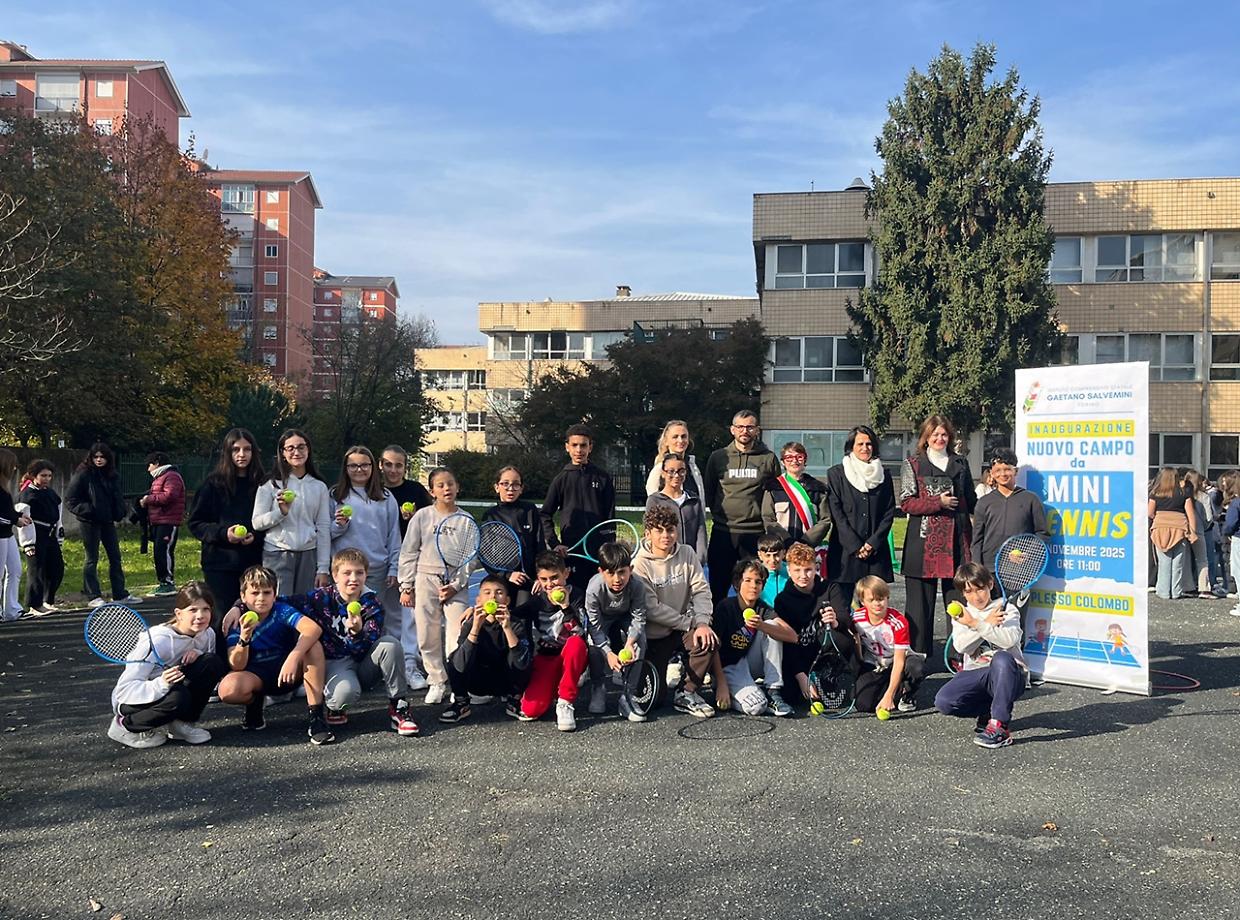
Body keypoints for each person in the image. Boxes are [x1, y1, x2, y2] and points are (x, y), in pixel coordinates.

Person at [291, 548, 418, 736]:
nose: (353, 578)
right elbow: (280, 603)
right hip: (336, 663)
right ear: (335, 575)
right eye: (347, 573)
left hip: (364, 662)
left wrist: (357, 632)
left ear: (366, 575)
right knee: (344, 696)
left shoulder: (372, 603)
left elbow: (362, 649)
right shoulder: (320, 597)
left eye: (359, 573)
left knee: (390, 644)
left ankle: (398, 707)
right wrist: (240, 606)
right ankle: (336, 705)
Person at [217, 565, 334, 744]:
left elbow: (312, 628)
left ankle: (316, 717)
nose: (261, 598)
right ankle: (254, 705)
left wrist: (294, 657)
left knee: (313, 646)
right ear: (243, 597)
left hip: (288, 672)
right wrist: (244, 639)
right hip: (257, 677)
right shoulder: (236, 621)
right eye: (255, 593)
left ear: (274, 594)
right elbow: (237, 665)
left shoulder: (281, 610)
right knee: (228, 689)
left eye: (266, 592)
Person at [106, 581, 229, 749]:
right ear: (179, 614)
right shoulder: (158, 640)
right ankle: (125, 727)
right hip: (132, 701)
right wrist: (161, 683)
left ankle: (180, 725)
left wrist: (199, 654)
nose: (200, 615)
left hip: (173, 689)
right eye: (193, 610)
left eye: (206, 609)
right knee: (179, 696)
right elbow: (124, 690)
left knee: (211, 662)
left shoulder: (207, 634)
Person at [898, 415, 977, 663]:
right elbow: (906, 502)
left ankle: (958, 654)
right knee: (919, 607)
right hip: (923, 545)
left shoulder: (960, 463)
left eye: (944, 434)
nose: (939, 439)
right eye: (935, 435)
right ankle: (917, 657)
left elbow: (971, 499)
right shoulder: (913, 464)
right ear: (926, 437)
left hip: (956, 542)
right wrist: (937, 503)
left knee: (958, 602)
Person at [631, 504, 719, 718]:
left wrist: (702, 623)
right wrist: (687, 623)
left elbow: (701, 590)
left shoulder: (687, 553)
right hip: (655, 635)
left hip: (683, 628)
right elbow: (652, 609)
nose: (666, 535)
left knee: (708, 639)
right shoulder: (639, 564)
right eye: (659, 530)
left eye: (670, 530)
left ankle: (686, 692)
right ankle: (666, 675)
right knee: (654, 701)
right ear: (648, 533)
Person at [398, 467, 474, 706]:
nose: (446, 489)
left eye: (450, 483)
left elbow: (471, 558)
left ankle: (457, 681)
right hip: (425, 578)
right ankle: (436, 681)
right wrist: (406, 585)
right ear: (432, 491)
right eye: (440, 485)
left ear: (458, 486)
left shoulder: (467, 520)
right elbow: (409, 551)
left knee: (455, 635)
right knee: (427, 635)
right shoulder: (421, 517)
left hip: (455, 584)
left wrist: (456, 585)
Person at [934, 562, 1028, 749]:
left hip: (1010, 675)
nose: (976, 597)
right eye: (969, 592)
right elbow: (962, 646)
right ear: (963, 593)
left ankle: (1000, 726)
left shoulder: (1006, 609)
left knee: (1001, 658)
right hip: (977, 673)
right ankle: (988, 711)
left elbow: (1008, 641)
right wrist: (981, 622)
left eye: (980, 589)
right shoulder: (963, 614)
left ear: (990, 585)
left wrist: (977, 624)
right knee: (944, 702)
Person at [188, 428, 266, 652]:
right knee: (222, 617)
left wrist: (255, 535)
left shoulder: (263, 484)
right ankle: (221, 666)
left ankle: (250, 663)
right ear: (227, 452)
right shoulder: (213, 484)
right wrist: (224, 534)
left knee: (253, 614)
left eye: (247, 449)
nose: (242, 454)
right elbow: (196, 523)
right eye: (236, 449)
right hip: (220, 564)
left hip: (253, 563)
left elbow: (271, 521)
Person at [703, 410, 781, 603]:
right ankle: (719, 627)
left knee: (756, 587)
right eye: (740, 427)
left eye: (749, 427)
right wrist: (721, 514)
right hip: (724, 531)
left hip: (755, 533)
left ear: (757, 430)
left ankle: (755, 628)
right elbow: (709, 492)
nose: (744, 431)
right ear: (732, 430)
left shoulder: (768, 458)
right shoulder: (718, 457)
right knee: (718, 588)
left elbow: (776, 494)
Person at [824, 425, 896, 617]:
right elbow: (836, 513)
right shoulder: (836, 474)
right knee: (841, 611)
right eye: (860, 444)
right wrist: (856, 546)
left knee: (875, 611)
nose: (865, 448)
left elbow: (889, 512)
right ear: (851, 446)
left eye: (869, 444)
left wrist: (872, 543)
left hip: (875, 554)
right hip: (845, 554)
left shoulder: (884, 475)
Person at [514, 551, 589, 730]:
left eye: (554, 577)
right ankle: (556, 685)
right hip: (546, 658)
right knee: (531, 710)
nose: (549, 584)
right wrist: (479, 611)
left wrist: (565, 606)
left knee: (575, 643)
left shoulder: (577, 595)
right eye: (544, 579)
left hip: (573, 655)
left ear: (566, 574)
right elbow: (511, 615)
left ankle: (565, 701)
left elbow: (580, 632)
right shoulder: (536, 602)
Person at [442, 575, 533, 723]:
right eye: (487, 592)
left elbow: (523, 662)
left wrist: (507, 628)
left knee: (522, 651)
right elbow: (459, 661)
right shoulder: (470, 623)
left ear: (507, 601)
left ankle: (514, 700)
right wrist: (476, 628)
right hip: (477, 681)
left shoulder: (515, 624)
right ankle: (461, 703)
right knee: (454, 657)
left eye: (499, 592)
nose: (493, 597)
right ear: (478, 600)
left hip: (506, 682)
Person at [775, 542, 856, 705]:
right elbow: (787, 642)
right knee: (790, 697)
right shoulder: (782, 600)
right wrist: (800, 675)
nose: (803, 575)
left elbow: (845, 620)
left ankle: (830, 674)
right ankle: (807, 678)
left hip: (825, 651)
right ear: (789, 571)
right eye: (797, 570)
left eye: (808, 569)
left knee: (840, 637)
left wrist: (835, 621)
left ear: (816, 568)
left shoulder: (830, 588)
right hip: (798, 653)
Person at [253, 429, 332, 595]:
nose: (297, 452)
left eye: (301, 447)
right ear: (282, 453)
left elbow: (324, 527)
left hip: (309, 555)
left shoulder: (319, 486)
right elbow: (257, 523)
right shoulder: (270, 484)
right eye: (290, 448)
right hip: (277, 554)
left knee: (305, 610)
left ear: (308, 450)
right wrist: (280, 512)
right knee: (279, 608)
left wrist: (323, 568)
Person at [379, 444, 432, 689]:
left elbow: (431, 522)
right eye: (388, 464)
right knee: (386, 613)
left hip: (412, 560)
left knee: (409, 614)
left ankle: (410, 663)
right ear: (380, 465)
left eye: (398, 465)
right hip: (381, 559)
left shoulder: (415, 491)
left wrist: (414, 521)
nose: (393, 470)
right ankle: (390, 664)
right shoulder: (375, 491)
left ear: (405, 467)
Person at [583, 541, 655, 721]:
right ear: (601, 572)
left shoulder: (637, 585)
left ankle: (628, 695)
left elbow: (639, 617)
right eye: (610, 573)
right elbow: (594, 626)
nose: (617, 579)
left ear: (630, 569)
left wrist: (629, 643)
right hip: (603, 618)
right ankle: (598, 686)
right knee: (593, 644)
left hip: (625, 615)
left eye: (622, 572)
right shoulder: (593, 589)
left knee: (640, 640)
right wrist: (608, 653)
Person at [712, 561, 795, 717]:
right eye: (748, 580)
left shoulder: (762, 607)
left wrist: (762, 626)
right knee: (756, 707)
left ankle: (773, 691)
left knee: (772, 626)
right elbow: (714, 647)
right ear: (737, 583)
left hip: (749, 661)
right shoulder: (726, 606)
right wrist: (721, 682)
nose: (753, 586)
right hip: (729, 667)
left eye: (758, 582)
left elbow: (792, 636)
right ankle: (729, 692)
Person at [540, 424, 615, 593]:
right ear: (567, 447)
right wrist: (555, 543)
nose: (579, 449)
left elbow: (610, 518)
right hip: (571, 552)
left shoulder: (603, 477)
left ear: (590, 447)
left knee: (600, 595)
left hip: (598, 552)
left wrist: (609, 547)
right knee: (575, 596)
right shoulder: (561, 479)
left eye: (583, 445)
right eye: (574, 445)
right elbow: (545, 514)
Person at [329, 446, 402, 612]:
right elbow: (325, 534)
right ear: (346, 468)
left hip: (376, 570)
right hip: (345, 571)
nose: (359, 470)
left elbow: (393, 536)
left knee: (372, 619)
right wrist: (339, 525)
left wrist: (394, 567)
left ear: (372, 467)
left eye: (364, 465)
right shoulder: (334, 495)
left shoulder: (386, 497)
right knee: (343, 619)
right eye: (353, 466)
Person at [65, 442, 131, 607]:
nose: (99, 460)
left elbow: (117, 496)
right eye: (96, 457)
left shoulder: (112, 475)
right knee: (91, 558)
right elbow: (70, 500)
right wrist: (89, 510)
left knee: (115, 556)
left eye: (103, 457)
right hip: (90, 521)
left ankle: (119, 593)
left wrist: (119, 511)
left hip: (108, 521)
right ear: (91, 458)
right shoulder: (83, 474)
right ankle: (93, 595)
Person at [846, 576, 923, 714]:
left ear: (887, 597)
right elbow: (855, 637)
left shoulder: (898, 622)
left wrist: (889, 696)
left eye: (881, 598)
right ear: (862, 602)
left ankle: (907, 692)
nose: (877, 604)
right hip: (876, 664)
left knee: (915, 667)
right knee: (863, 704)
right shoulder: (857, 619)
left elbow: (900, 661)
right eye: (871, 600)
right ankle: (892, 686)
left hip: (897, 660)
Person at [971, 446, 1049, 572]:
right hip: (989, 569)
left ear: (1016, 471)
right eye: (997, 470)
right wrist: (977, 568)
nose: (1002, 474)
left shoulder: (1031, 500)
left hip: (1019, 570)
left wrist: (1028, 553)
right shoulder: (983, 503)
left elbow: (1042, 534)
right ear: (991, 473)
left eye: (1007, 469)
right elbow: (976, 540)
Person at [482, 465, 544, 609]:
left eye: (516, 484)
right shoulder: (491, 515)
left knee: (522, 624)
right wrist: (507, 575)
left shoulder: (530, 510)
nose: (510, 488)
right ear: (497, 487)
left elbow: (540, 546)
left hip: (528, 582)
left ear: (521, 488)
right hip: (501, 582)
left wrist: (540, 576)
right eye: (505, 484)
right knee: (501, 623)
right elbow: (485, 554)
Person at [762, 441, 831, 550]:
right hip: (782, 549)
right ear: (783, 462)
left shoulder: (817, 488)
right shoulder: (773, 487)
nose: (794, 461)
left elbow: (825, 520)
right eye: (789, 457)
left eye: (799, 457)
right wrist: (787, 541)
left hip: (809, 549)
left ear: (805, 460)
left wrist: (806, 542)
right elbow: (768, 519)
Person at [18, 459, 65, 616]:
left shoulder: (51, 493)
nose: (46, 479)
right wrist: (28, 544)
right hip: (36, 535)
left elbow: (58, 515)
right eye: (43, 475)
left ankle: (48, 600)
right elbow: (24, 521)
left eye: (49, 476)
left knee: (56, 568)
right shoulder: (27, 495)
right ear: (33, 476)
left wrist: (59, 535)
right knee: (36, 570)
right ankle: (34, 604)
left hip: (50, 535)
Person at [645, 453, 707, 565]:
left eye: (681, 471)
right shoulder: (655, 500)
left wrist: (700, 559)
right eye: (671, 471)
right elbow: (651, 533)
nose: (676, 475)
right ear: (663, 473)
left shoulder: (693, 500)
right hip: (666, 562)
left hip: (691, 562)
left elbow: (701, 532)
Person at [1147, 466, 1197, 600]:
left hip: (1160, 529)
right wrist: (1193, 532)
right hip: (1180, 529)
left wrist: (1159, 518)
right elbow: (1190, 514)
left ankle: (1163, 592)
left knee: (1164, 561)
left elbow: (1149, 512)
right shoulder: (1183, 493)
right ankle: (1176, 591)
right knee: (1178, 562)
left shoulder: (1155, 494)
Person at [141, 451, 187, 596]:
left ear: (157, 463)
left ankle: (167, 582)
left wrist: (148, 499)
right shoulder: (160, 478)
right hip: (159, 520)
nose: (148, 469)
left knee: (164, 550)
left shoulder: (171, 476)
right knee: (159, 551)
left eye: (149, 464)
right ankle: (163, 581)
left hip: (168, 520)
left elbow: (169, 496)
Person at [0, 449, 30, 622]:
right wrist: (15, 520)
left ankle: (11, 609)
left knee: (15, 570)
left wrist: (18, 518)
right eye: (12, 465)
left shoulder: (5, 488)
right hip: (1, 534)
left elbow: (8, 512)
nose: (14, 469)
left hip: (6, 534)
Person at [644, 420, 706, 501]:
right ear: (666, 441)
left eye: (683, 436)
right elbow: (653, 500)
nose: (680, 440)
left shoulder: (693, 466)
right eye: (675, 437)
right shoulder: (660, 469)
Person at [1220, 470, 1240, 615]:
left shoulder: (1235, 503)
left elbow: (1231, 523)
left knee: (1238, 570)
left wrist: (1226, 533)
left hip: (1238, 537)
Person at [756, 532, 789, 607]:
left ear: (784, 553)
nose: (772, 560)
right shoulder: (754, 574)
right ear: (760, 555)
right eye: (767, 555)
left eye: (776, 555)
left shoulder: (791, 571)